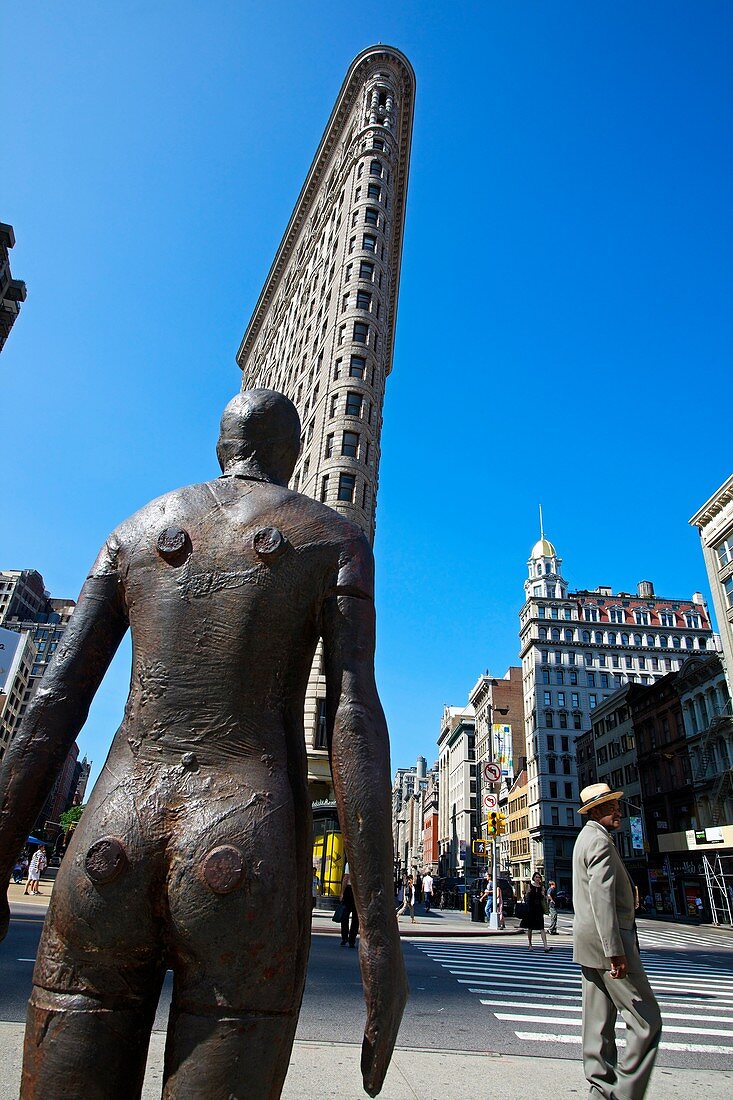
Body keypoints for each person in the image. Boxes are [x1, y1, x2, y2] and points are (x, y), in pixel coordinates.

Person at [0, 389, 407, 1100]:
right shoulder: (331, 537)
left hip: (112, 832)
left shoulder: (136, 531)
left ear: (222, 448)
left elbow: (50, 709)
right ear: (293, 453)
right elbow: (354, 721)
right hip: (243, 839)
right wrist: (377, 933)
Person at [573, 783, 662, 1099]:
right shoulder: (599, 843)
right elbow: (602, 900)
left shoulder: (585, 839)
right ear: (597, 811)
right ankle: (626, 1094)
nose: (619, 811)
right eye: (612, 806)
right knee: (647, 1021)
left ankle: (600, 1090)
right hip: (609, 945)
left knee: (598, 1023)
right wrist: (616, 952)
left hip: (587, 945)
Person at [520, 872, 550, 951]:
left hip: (539, 908)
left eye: (539, 877)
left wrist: (544, 895)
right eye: (536, 877)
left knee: (542, 927)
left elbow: (544, 898)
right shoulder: (530, 886)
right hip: (531, 908)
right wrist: (527, 893)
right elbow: (526, 897)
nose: (538, 879)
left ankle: (545, 946)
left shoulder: (542, 887)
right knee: (530, 927)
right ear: (534, 878)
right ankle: (530, 944)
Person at [339, 866, 359, 948]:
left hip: (349, 890)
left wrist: (342, 892)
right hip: (358, 891)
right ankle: (352, 940)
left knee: (345, 916)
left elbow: (346, 878)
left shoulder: (350, 863)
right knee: (356, 918)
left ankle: (344, 938)